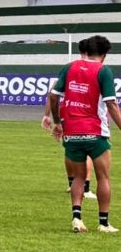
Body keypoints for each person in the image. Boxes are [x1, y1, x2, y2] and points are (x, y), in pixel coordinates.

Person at [48, 35, 121, 233]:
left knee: (79, 177)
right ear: (104, 55)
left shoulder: (69, 67)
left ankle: (77, 219)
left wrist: (58, 122)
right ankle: (104, 223)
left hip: (71, 130)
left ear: (86, 51)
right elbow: (111, 104)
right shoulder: (103, 71)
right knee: (103, 177)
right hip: (95, 131)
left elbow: (53, 97)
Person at [41, 38, 95, 200]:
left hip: (67, 114)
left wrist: (46, 115)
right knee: (89, 152)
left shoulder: (69, 67)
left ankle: (72, 183)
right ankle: (85, 188)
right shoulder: (96, 69)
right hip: (87, 116)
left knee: (70, 149)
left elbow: (53, 93)